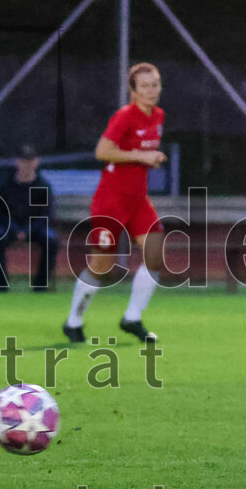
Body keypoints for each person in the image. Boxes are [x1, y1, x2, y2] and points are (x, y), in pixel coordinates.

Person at [63, 62, 168, 344]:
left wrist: (151, 158)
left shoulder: (158, 115)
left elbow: (140, 154)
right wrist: (141, 156)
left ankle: (132, 318)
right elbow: (102, 151)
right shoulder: (125, 116)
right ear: (133, 91)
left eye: (155, 84)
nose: (151, 90)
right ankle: (73, 321)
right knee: (101, 265)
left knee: (156, 254)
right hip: (112, 200)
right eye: (144, 85)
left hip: (138, 200)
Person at [0, 143, 59, 292]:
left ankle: (41, 285)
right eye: (23, 161)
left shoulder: (42, 186)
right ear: (17, 161)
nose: (26, 165)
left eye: (30, 161)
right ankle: (1, 285)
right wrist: (14, 229)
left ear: (36, 162)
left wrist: (27, 230)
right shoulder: (4, 185)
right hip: (9, 227)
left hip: (36, 229)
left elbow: (47, 215)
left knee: (51, 240)